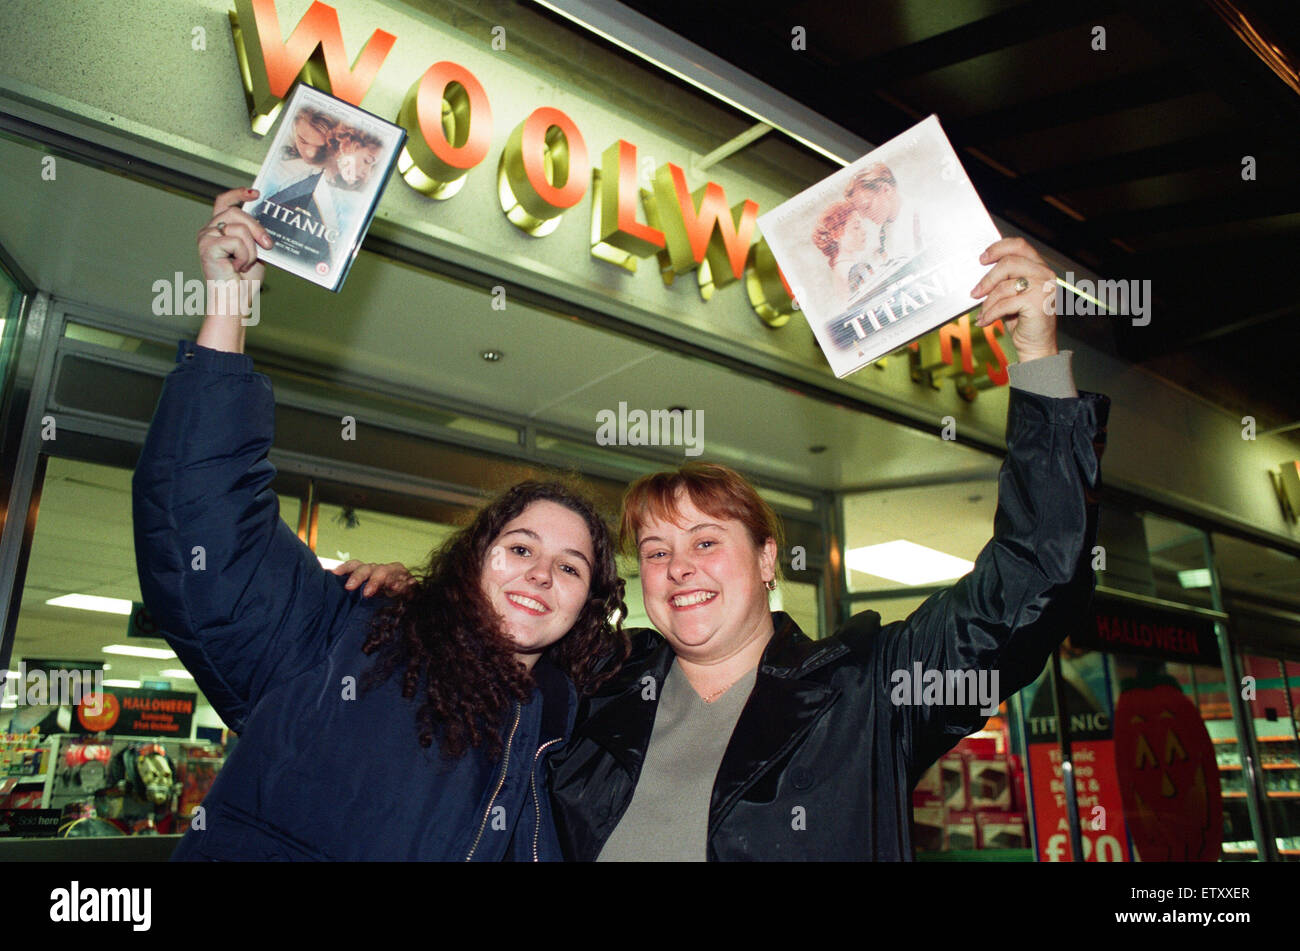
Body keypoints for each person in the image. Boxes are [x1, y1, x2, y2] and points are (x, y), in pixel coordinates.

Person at [346, 235, 1111, 860]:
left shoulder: (867, 693)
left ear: (769, 560)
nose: (679, 567)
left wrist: (1038, 362)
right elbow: (490, 655)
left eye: (707, 540)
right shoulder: (600, 682)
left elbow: (1034, 578)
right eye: (655, 549)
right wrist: (414, 601)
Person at [131, 187, 627, 860]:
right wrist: (229, 302)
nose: (542, 572)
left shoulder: (565, 719)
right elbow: (205, 518)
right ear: (474, 558)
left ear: (587, 603)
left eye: (571, 566)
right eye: (520, 547)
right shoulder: (351, 635)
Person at [843, 162, 928, 286]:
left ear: (886, 190)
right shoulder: (883, 235)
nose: (864, 216)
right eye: (860, 212)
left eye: (867, 207)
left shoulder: (924, 215)